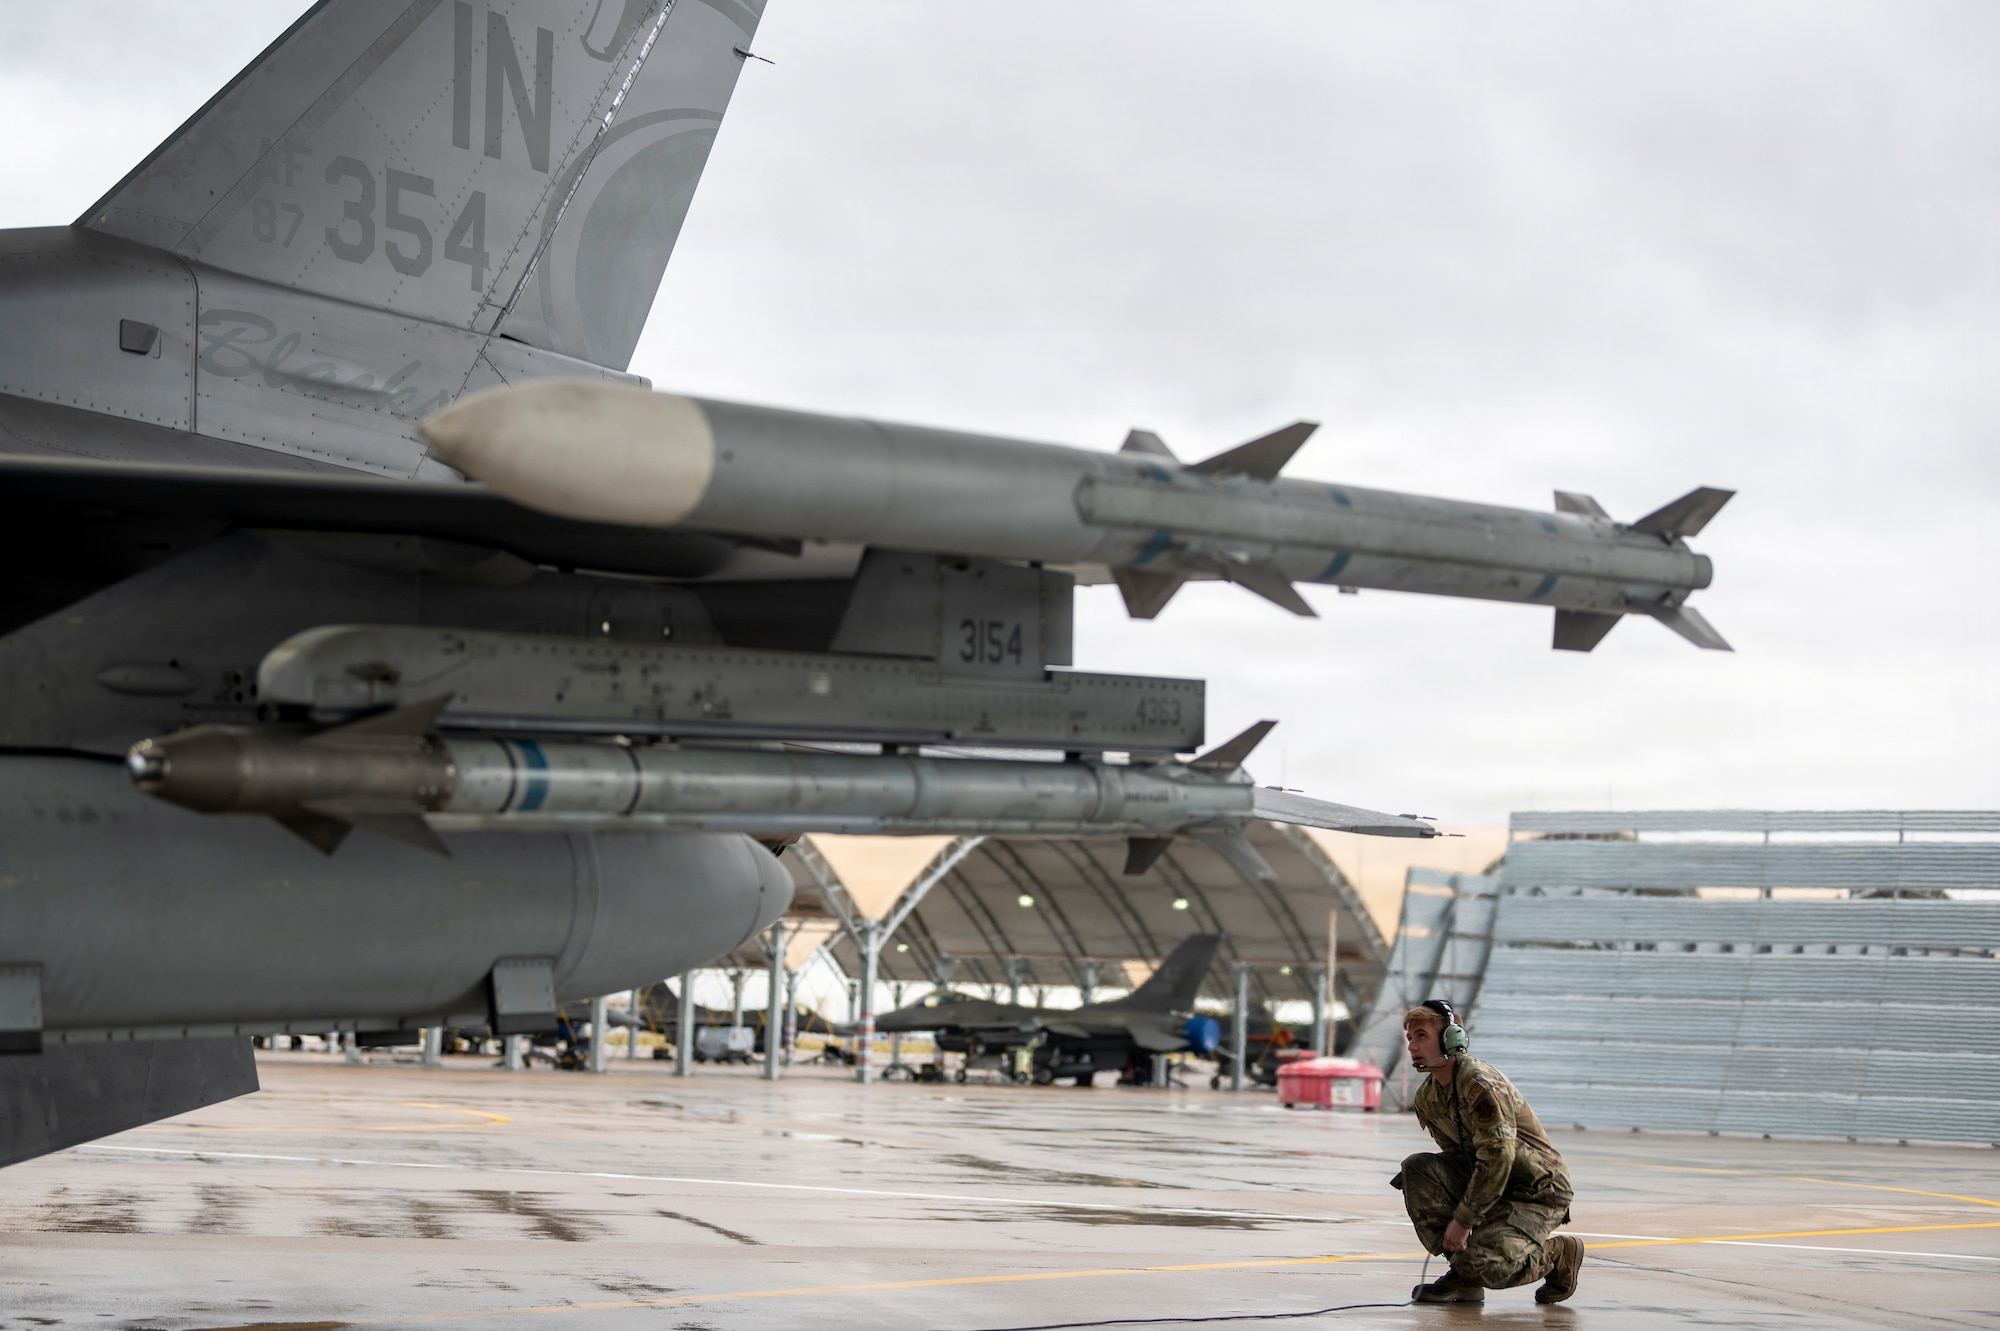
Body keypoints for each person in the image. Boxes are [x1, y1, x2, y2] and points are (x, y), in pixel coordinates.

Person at [1394, 999, 1583, 1305]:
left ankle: (1558, 1253)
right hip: (1493, 1186)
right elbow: (1458, 1159)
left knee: (1492, 1268)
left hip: (1536, 1189)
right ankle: (1464, 1274)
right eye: (1410, 1038)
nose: (1412, 1046)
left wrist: (1464, 1220)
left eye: (1422, 1036)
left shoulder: (1480, 1084)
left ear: (1451, 1039)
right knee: (1417, 1169)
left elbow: (1499, 1157)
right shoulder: (1427, 1097)